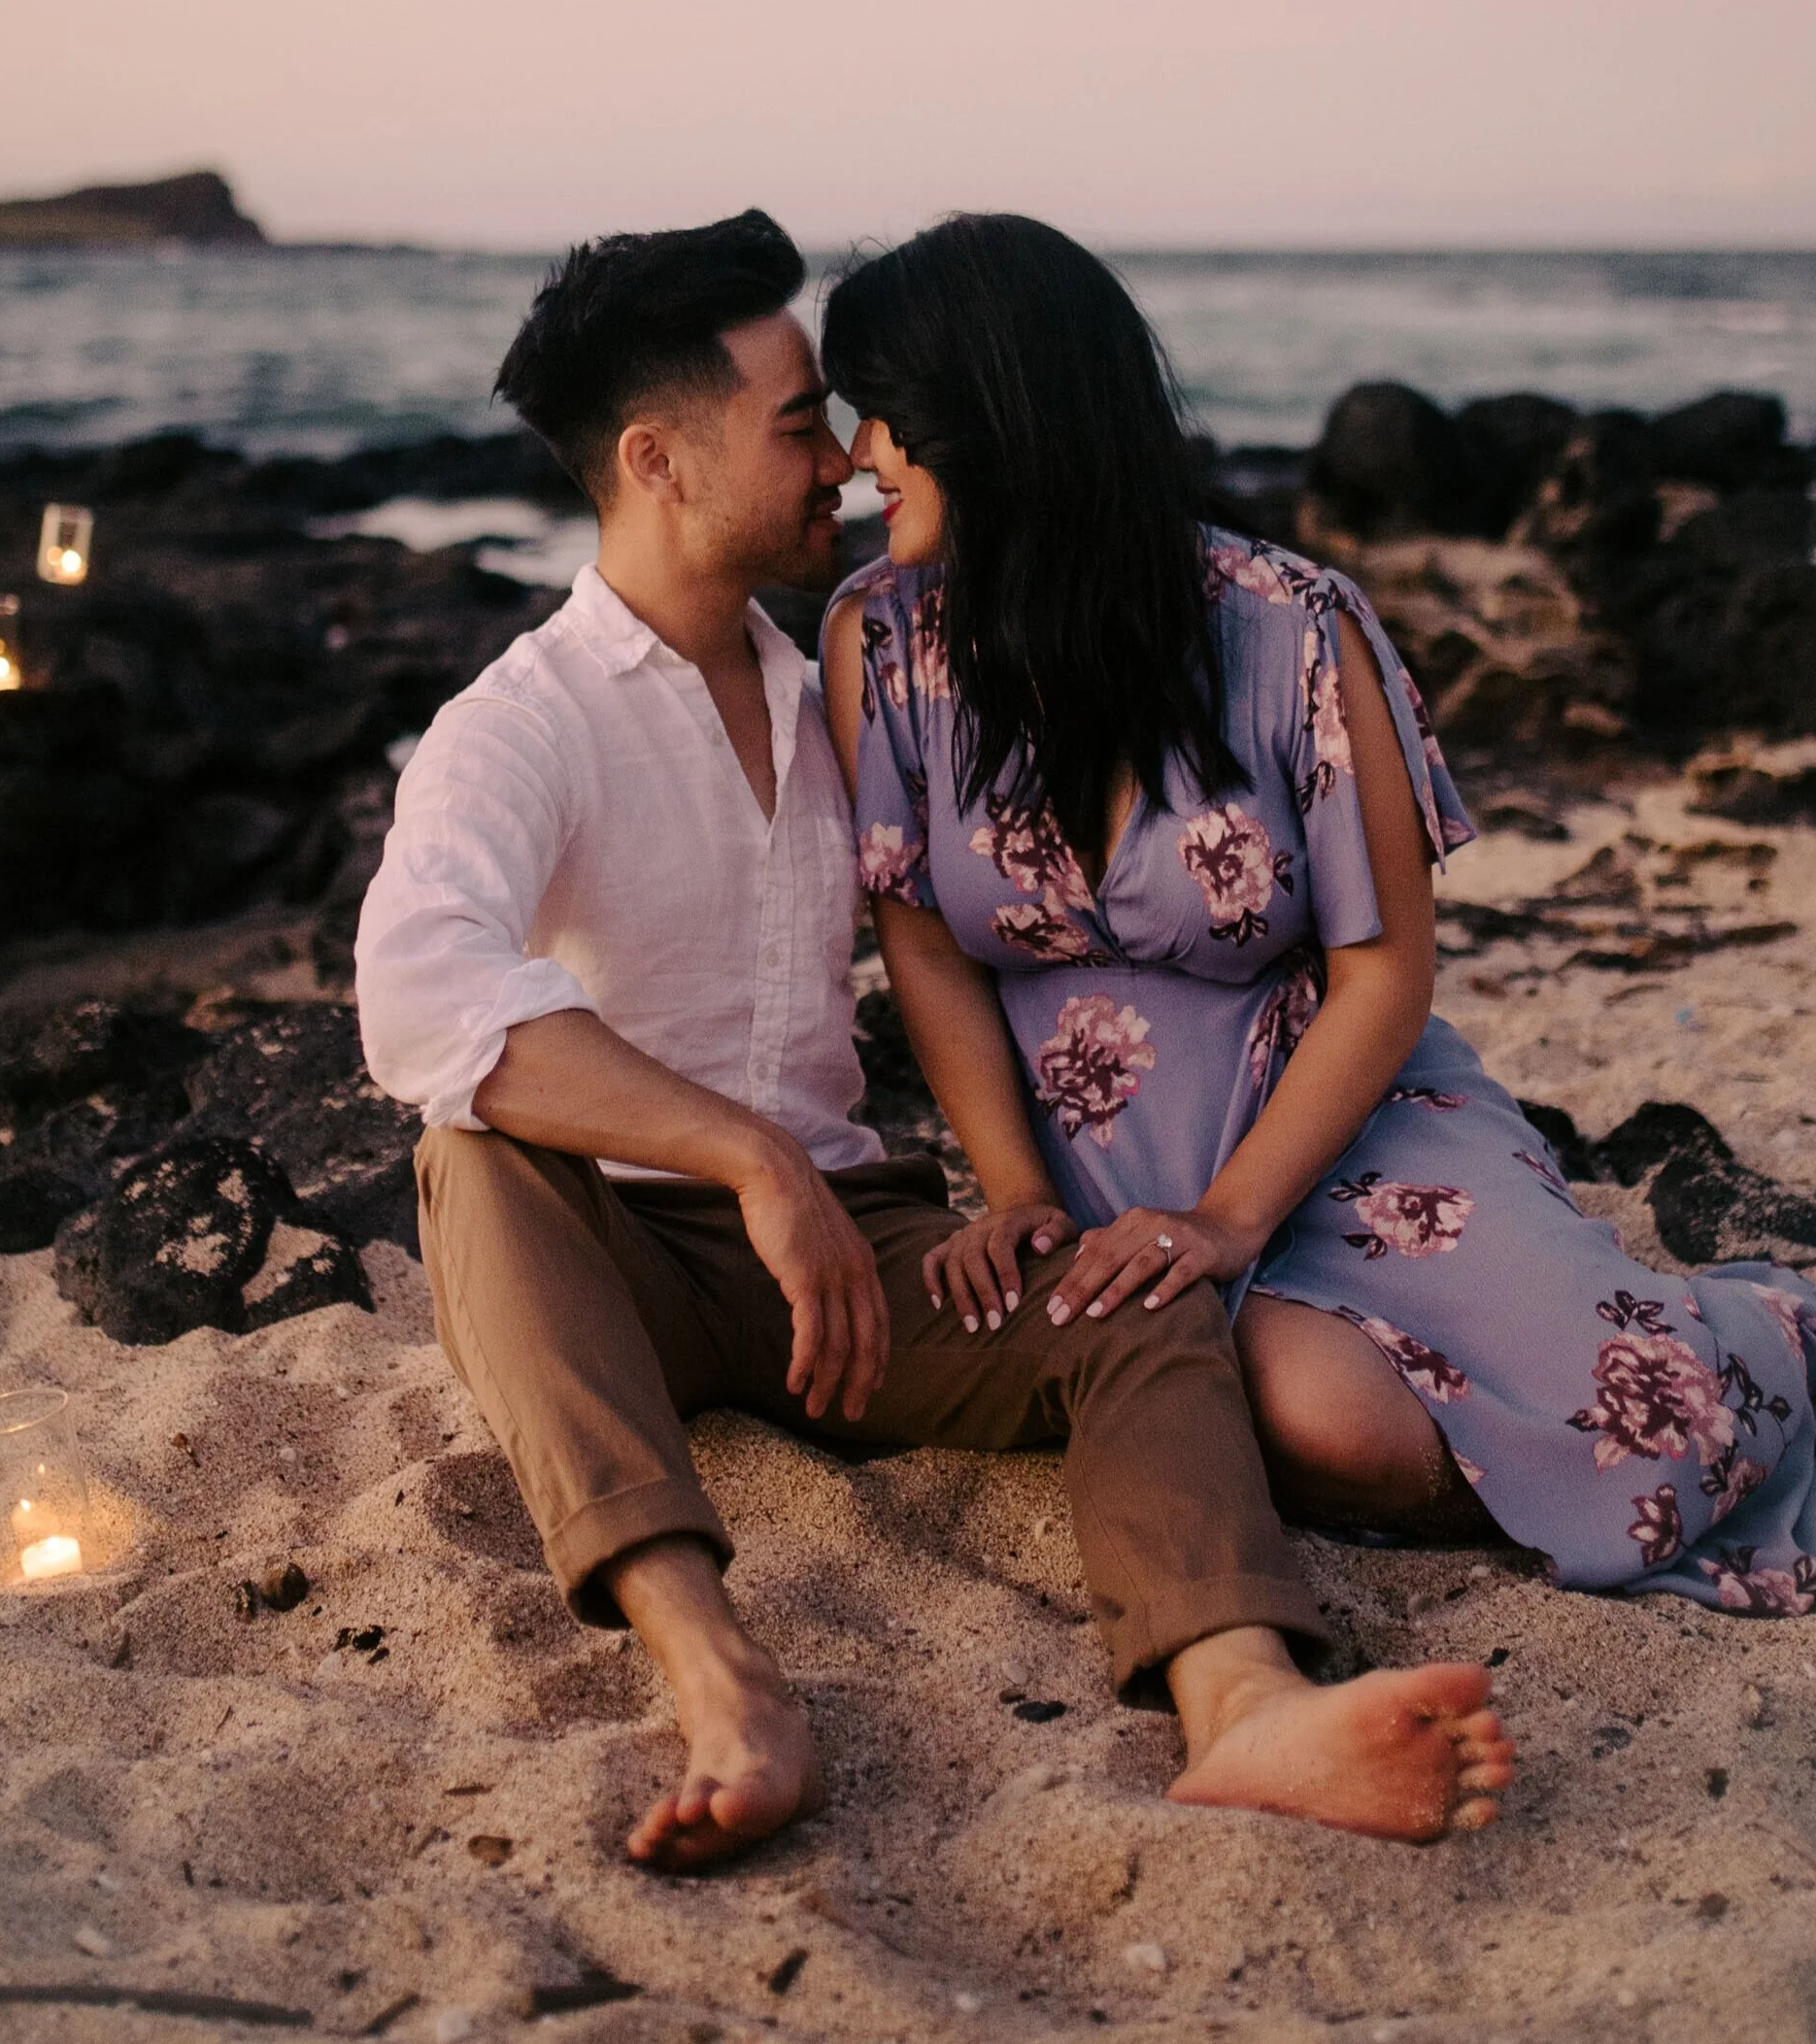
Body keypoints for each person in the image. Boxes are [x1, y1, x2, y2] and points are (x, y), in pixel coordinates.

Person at [353, 207, 1514, 1875]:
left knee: (1139, 1292)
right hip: (609, 1254)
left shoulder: (847, 671)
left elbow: (1003, 886)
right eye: (798, 420)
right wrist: (744, 1155)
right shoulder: (518, 724)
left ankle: (1242, 1696)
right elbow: (419, 994)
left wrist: (993, 1185)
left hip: (848, 1242)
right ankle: (719, 1671)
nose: (843, 455)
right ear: (657, 458)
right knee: (468, 1152)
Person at [819, 212, 1816, 1627]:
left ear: (1001, 411)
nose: (857, 457)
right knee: (1318, 1421)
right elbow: (928, 946)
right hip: (1098, 1164)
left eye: (886, 416)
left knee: (1657, 1419)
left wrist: (1225, 1214)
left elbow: (1386, 966)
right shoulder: (879, 641)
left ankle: (1770, 1334)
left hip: (1347, 1121)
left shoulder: (1292, 626)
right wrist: (1012, 1189)